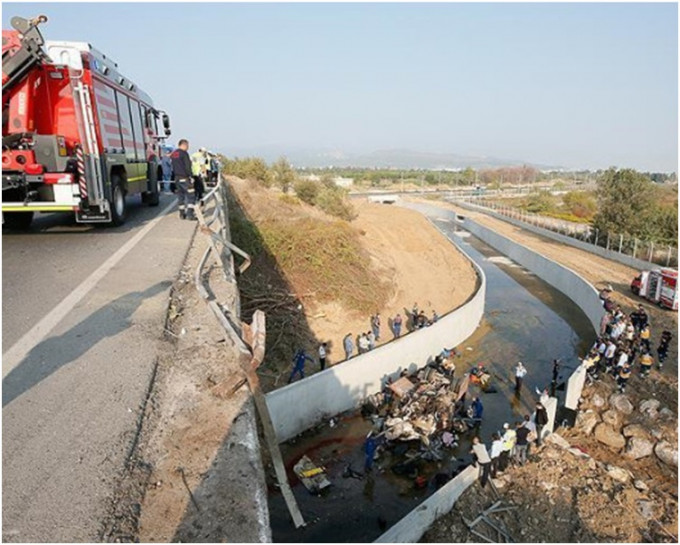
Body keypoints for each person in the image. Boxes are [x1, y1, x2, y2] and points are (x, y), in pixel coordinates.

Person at [170, 139, 195, 220]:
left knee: (180, 196)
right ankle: (190, 215)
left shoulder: (174, 154)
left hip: (177, 178)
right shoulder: (184, 153)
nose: (188, 147)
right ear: (184, 145)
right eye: (187, 146)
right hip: (184, 178)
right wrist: (191, 176)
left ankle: (181, 214)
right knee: (191, 195)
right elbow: (188, 166)